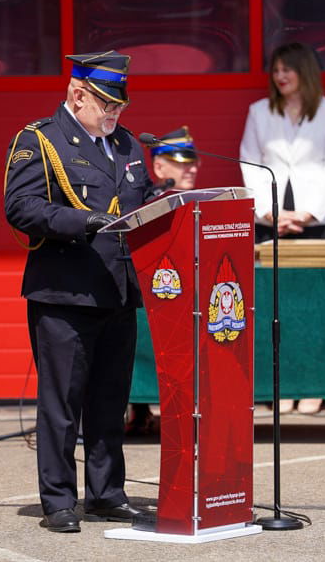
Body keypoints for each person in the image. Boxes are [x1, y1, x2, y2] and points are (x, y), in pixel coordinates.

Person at [4, 50, 153, 533]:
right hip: (65, 293)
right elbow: (21, 207)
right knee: (61, 405)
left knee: (111, 402)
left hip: (118, 289)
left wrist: (169, 200)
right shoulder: (41, 140)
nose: (114, 114)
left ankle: (107, 494)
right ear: (76, 93)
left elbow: (142, 200)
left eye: (119, 106)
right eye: (106, 104)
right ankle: (59, 501)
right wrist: (84, 222)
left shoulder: (127, 144)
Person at [239, 41, 325, 415]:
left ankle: (314, 387)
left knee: (315, 310)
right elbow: (250, 163)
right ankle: (281, 389)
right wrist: (271, 214)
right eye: (276, 70)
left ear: (305, 71)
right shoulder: (258, 112)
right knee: (275, 309)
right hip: (269, 222)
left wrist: (304, 216)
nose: (280, 76)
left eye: (288, 69)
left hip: (318, 223)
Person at [126, 126, 200, 436]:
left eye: (193, 162)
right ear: (158, 167)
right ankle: (139, 409)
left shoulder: (201, 203)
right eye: (182, 162)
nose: (192, 168)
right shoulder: (151, 206)